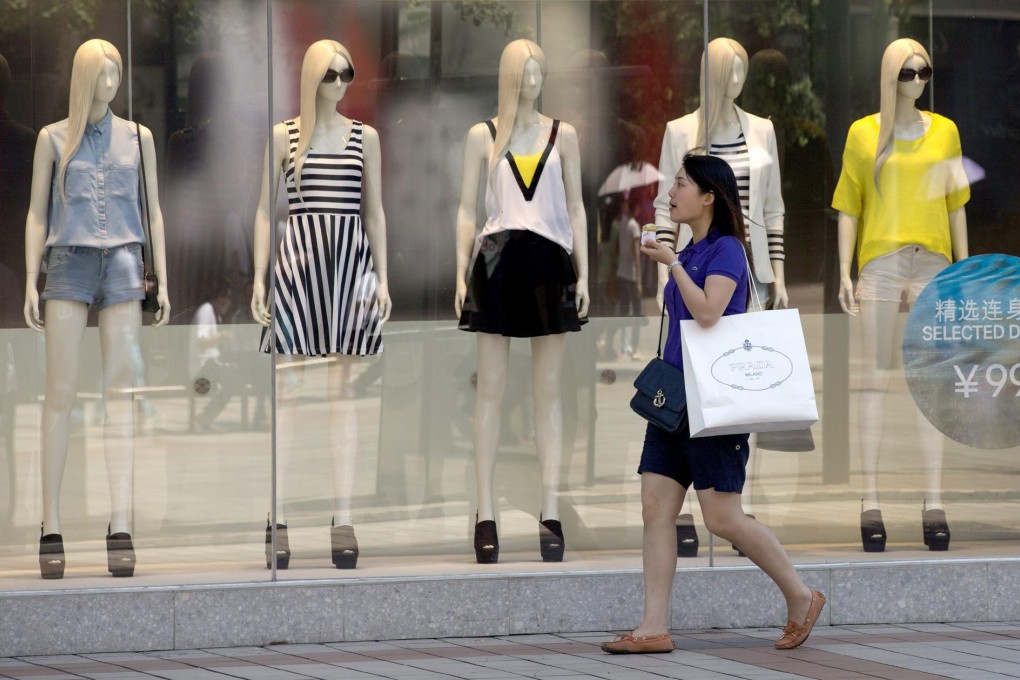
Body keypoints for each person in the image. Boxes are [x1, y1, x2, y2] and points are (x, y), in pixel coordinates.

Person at [601, 153, 822, 654]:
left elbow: (708, 313)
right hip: (674, 400)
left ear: (708, 197)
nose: (671, 193)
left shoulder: (726, 250)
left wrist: (673, 264)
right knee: (656, 507)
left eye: (680, 184)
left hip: (715, 403)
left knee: (721, 517)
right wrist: (675, 261)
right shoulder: (691, 249)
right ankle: (653, 627)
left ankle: (801, 595)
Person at [23, 39, 170, 579]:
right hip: (69, 262)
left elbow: (154, 211)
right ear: (84, 78)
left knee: (120, 396)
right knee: (60, 393)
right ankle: (51, 522)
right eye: (104, 75)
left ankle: (120, 522)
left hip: (126, 263)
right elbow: (37, 214)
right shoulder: (52, 138)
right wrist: (31, 280)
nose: (113, 83)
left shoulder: (139, 137)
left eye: (117, 74)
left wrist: (163, 277)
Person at [251, 39, 390, 570]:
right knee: (287, 394)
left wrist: (382, 279)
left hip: (350, 265)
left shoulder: (365, 137)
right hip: (298, 265)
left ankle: (343, 516)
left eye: (347, 73)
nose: (340, 83)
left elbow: (374, 212)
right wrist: (260, 278)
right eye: (331, 74)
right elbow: (264, 211)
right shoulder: (283, 136)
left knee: (344, 395)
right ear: (311, 77)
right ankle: (279, 515)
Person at [455, 39, 588, 564]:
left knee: (548, 391)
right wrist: (460, 270)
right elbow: (467, 209)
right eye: (525, 72)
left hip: (550, 262)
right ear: (509, 77)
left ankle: (550, 510)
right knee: (490, 391)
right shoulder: (483, 136)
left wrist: (584, 274)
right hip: (496, 260)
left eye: (539, 72)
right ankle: (485, 512)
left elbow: (576, 207)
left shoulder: (564, 136)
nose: (533, 81)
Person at [833, 38, 968, 552]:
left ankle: (935, 500)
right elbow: (849, 205)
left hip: (934, 263)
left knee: (933, 384)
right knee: (874, 380)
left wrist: (965, 271)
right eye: (908, 73)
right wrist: (844, 272)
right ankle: (870, 501)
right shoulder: (864, 133)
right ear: (890, 77)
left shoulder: (946, 131)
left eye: (924, 71)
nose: (917, 81)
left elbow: (956, 204)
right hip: (882, 263)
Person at [653, 36, 787, 555]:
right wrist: (667, 271)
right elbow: (666, 207)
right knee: (659, 500)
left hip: (740, 271)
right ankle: (707, 509)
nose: (736, 79)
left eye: (741, 69)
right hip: (692, 263)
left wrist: (778, 275)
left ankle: (729, 511)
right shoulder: (680, 131)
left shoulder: (762, 130)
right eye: (727, 69)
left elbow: (771, 208)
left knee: (735, 383)